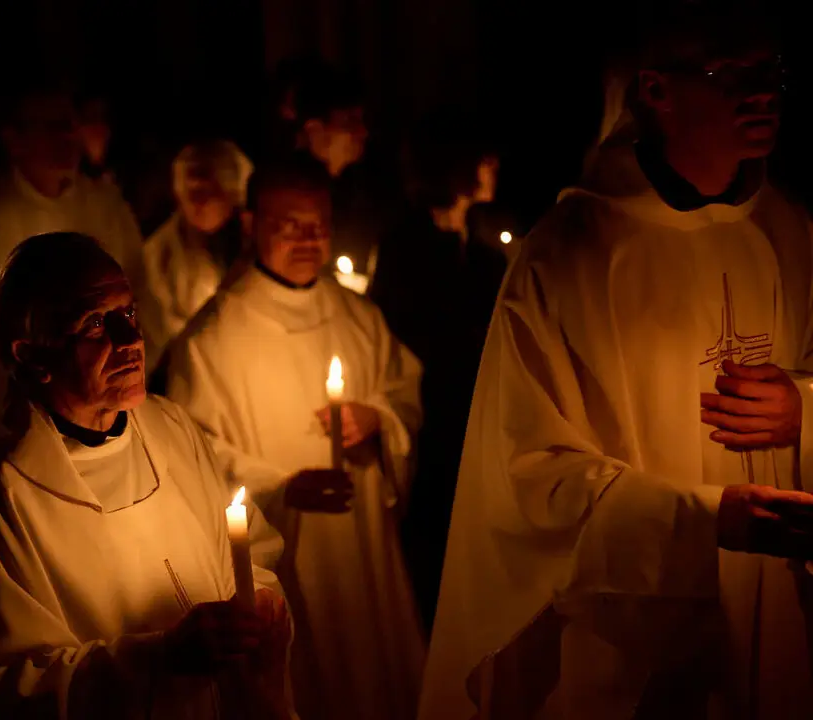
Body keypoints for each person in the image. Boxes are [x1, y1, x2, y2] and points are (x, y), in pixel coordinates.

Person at [421, 8, 813, 719]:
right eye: (733, 73)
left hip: (778, 607)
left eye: (773, 73)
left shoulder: (788, 230)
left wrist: (804, 411)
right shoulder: (568, 255)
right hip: (626, 632)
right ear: (655, 91)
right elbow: (531, 472)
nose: (764, 93)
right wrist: (700, 519)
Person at [0, 232, 294, 719]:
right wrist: (161, 659)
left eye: (129, 314)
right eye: (96, 324)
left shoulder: (173, 428)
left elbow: (249, 550)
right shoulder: (0, 498)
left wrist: (262, 609)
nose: (131, 341)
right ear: (29, 355)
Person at [166, 155, 425, 720]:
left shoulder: (358, 316)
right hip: (289, 552)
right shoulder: (212, 340)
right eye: (290, 225)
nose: (309, 239)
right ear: (251, 223)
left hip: (364, 550)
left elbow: (404, 390)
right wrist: (280, 487)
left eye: (320, 224)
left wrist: (379, 419)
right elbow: (195, 450)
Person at [0, 76, 144, 434]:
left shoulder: (108, 207)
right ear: (14, 140)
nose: (67, 136)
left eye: (71, 124)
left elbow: (141, 297)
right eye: (51, 127)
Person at [375, 110, 507, 631]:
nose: (495, 167)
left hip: (475, 424)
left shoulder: (478, 251)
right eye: (483, 157)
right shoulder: (407, 247)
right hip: (432, 429)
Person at [142, 139, 253, 373]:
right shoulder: (159, 257)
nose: (198, 202)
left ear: (232, 192)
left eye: (207, 190)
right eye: (190, 191)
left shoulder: (255, 246)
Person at [293, 70, 382, 286]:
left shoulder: (357, 191)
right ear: (314, 129)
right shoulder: (289, 198)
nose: (362, 132)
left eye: (361, 121)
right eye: (350, 122)